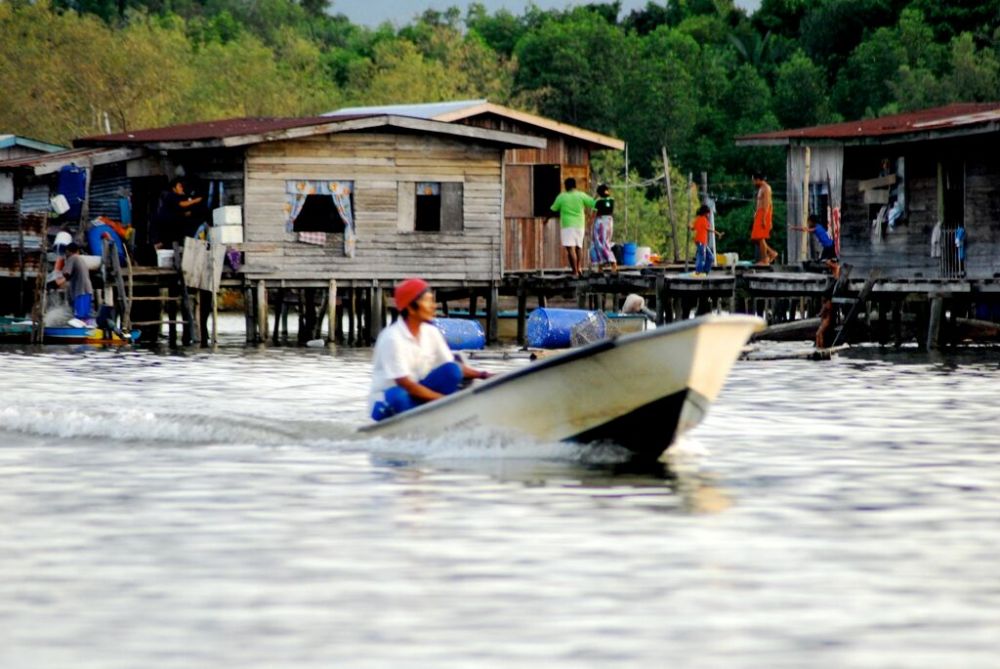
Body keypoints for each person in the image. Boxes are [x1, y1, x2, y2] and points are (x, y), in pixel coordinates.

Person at [369, 278, 493, 421]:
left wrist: (485, 375)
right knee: (399, 396)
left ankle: (439, 416)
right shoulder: (392, 338)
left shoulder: (431, 332)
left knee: (452, 370)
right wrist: (445, 401)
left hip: (417, 393)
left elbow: (452, 365)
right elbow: (405, 384)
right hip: (388, 401)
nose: (434, 306)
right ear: (411, 308)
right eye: (428, 301)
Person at [549, 177, 596, 277]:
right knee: (579, 247)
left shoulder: (562, 197)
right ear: (575, 185)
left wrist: (546, 220)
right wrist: (592, 217)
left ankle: (575, 271)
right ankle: (579, 268)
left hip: (567, 225)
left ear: (566, 186)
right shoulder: (581, 195)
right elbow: (594, 203)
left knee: (570, 249)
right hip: (580, 225)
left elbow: (553, 209)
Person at [149, 177, 205, 254]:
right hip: (165, 225)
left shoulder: (177, 196)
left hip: (169, 225)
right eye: (179, 186)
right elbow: (182, 204)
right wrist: (196, 200)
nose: (182, 188)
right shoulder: (170, 195)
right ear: (174, 188)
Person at [790, 213, 840, 278]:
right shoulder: (819, 226)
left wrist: (793, 228)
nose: (808, 224)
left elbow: (805, 229)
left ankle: (836, 267)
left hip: (829, 246)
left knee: (824, 261)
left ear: (812, 222)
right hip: (830, 245)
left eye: (809, 222)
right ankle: (836, 274)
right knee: (828, 261)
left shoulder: (816, 228)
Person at [56, 242, 94, 321]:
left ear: (68, 251)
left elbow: (67, 273)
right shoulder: (80, 259)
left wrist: (60, 281)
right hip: (87, 290)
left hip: (80, 291)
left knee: (80, 316)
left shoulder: (72, 258)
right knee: (85, 316)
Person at [751, 172, 778, 266]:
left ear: (758, 179)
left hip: (764, 214)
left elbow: (767, 203)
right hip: (759, 213)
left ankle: (764, 259)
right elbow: (760, 203)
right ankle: (771, 252)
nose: (753, 183)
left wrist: (764, 218)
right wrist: (756, 213)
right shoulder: (761, 188)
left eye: (754, 180)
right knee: (756, 238)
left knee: (760, 237)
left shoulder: (766, 188)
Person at [689, 204, 724, 276]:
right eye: (708, 213)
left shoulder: (698, 219)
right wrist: (717, 233)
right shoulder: (703, 219)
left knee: (710, 257)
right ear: (705, 213)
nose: (709, 215)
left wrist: (689, 227)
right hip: (701, 241)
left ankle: (705, 271)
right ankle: (698, 271)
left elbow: (693, 228)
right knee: (701, 256)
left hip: (703, 242)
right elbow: (708, 229)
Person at [591, 183, 617, 272]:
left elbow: (593, 214)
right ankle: (601, 265)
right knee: (606, 242)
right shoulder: (612, 200)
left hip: (600, 222)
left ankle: (611, 261)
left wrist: (589, 224)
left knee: (599, 243)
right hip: (609, 221)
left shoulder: (598, 201)